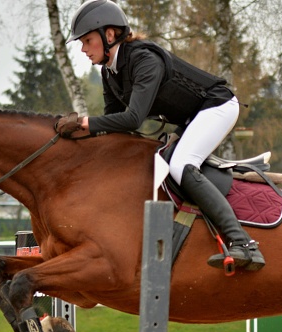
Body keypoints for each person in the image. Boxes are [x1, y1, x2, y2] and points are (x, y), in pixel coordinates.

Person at [56, 0, 265, 272]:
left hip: (218, 107)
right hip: (191, 118)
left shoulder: (144, 60)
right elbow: (113, 126)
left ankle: (244, 243)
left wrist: (84, 122)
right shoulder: (110, 72)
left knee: (180, 164)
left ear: (109, 34)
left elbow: (133, 119)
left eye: (87, 41)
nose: (83, 49)